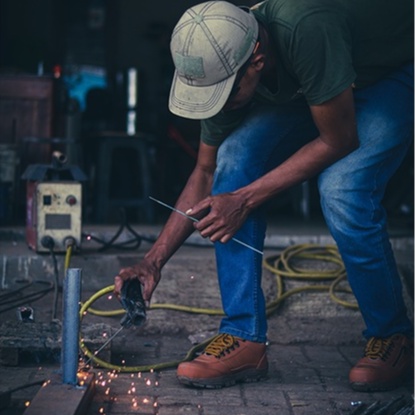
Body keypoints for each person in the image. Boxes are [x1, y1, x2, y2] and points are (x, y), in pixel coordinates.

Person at [115, 0, 414, 391]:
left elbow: (339, 139)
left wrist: (244, 199)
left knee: (343, 188)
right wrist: (152, 262)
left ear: (256, 58)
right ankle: (244, 338)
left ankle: (392, 335)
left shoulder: (307, 25)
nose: (218, 104)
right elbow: (205, 173)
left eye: (226, 92)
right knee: (234, 157)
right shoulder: (222, 59)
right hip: (316, 80)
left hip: (389, 72)